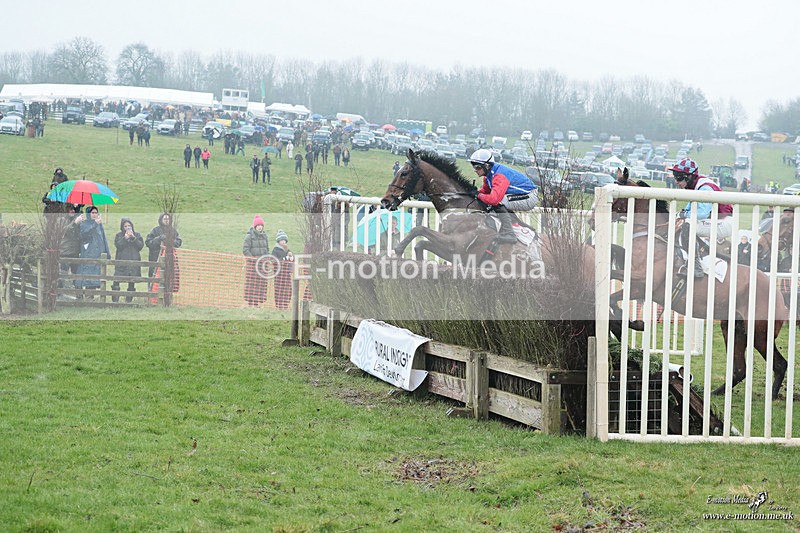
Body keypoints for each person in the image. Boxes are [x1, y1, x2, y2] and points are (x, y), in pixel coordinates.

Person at [673, 157, 733, 277]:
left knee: (687, 225)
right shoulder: (696, 186)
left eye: (678, 177)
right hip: (718, 221)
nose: (676, 181)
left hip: (725, 223)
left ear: (689, 176)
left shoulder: (704, 187)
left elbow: (701, 213)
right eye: (675, 176)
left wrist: (682, 215)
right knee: (682, 224)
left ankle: (696, 267)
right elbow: (688, 209)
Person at [468, 148, 538, 243]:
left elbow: (493, 200)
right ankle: (523, 227)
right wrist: (474, 193)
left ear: (487, 166)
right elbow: (485, 191)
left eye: (477, 167)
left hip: (530, 196)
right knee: (494, 203)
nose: (475, 170)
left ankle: (509, 233)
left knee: (499, 202)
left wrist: (479, 195)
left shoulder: (499, 176)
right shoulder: (489, 175)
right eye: (473, 167)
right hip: (520, 194)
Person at [75, 206, 110, 296]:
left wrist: (107, 252)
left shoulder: (99, 224)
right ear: (88, 214)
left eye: (96, 213)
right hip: (88, 253)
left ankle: (91, 296)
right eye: (92, 213)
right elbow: (84, 235)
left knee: (95, 276)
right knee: (87, 275)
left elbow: (103, 238)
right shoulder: (84, 223)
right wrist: (94, 224)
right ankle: (83, 295)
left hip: (98, 254)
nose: (94, 215)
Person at [112, 217, 144, 302]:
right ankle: (115, 300)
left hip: (133, 261)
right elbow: (118, 245)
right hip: (121, 261)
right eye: (125, 226)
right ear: (122, 227)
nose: (127, 228)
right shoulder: (119, 235)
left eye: (129, 226)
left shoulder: (137, 235)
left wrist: (133, 238)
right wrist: (125, 239)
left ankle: (128, 300)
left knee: (131, 282)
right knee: (116, 280)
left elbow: (140, 246)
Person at [243, 215, 270, 306]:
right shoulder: (249, 236)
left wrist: (266, 259)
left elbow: (267, 249)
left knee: (261, 284)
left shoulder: (265, 236)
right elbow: (245, 250)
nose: (260, 227)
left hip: (262, 265)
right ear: (255, 226)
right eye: (258, 225)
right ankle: (251, 302)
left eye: (261, 225)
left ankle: (257, 302)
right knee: (252, 283)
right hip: (252, 265)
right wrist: (252, 259)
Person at [145, 213, 182, 278]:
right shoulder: (155, 230)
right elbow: (148, 242)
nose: (166, 220)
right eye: (164, 219)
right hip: (155, 259)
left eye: (168, 219)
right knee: (154, 279)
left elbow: (178, 242)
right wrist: (159, 239)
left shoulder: (173, 231)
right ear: (161, 220)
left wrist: (170, 241)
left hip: (170, 258)